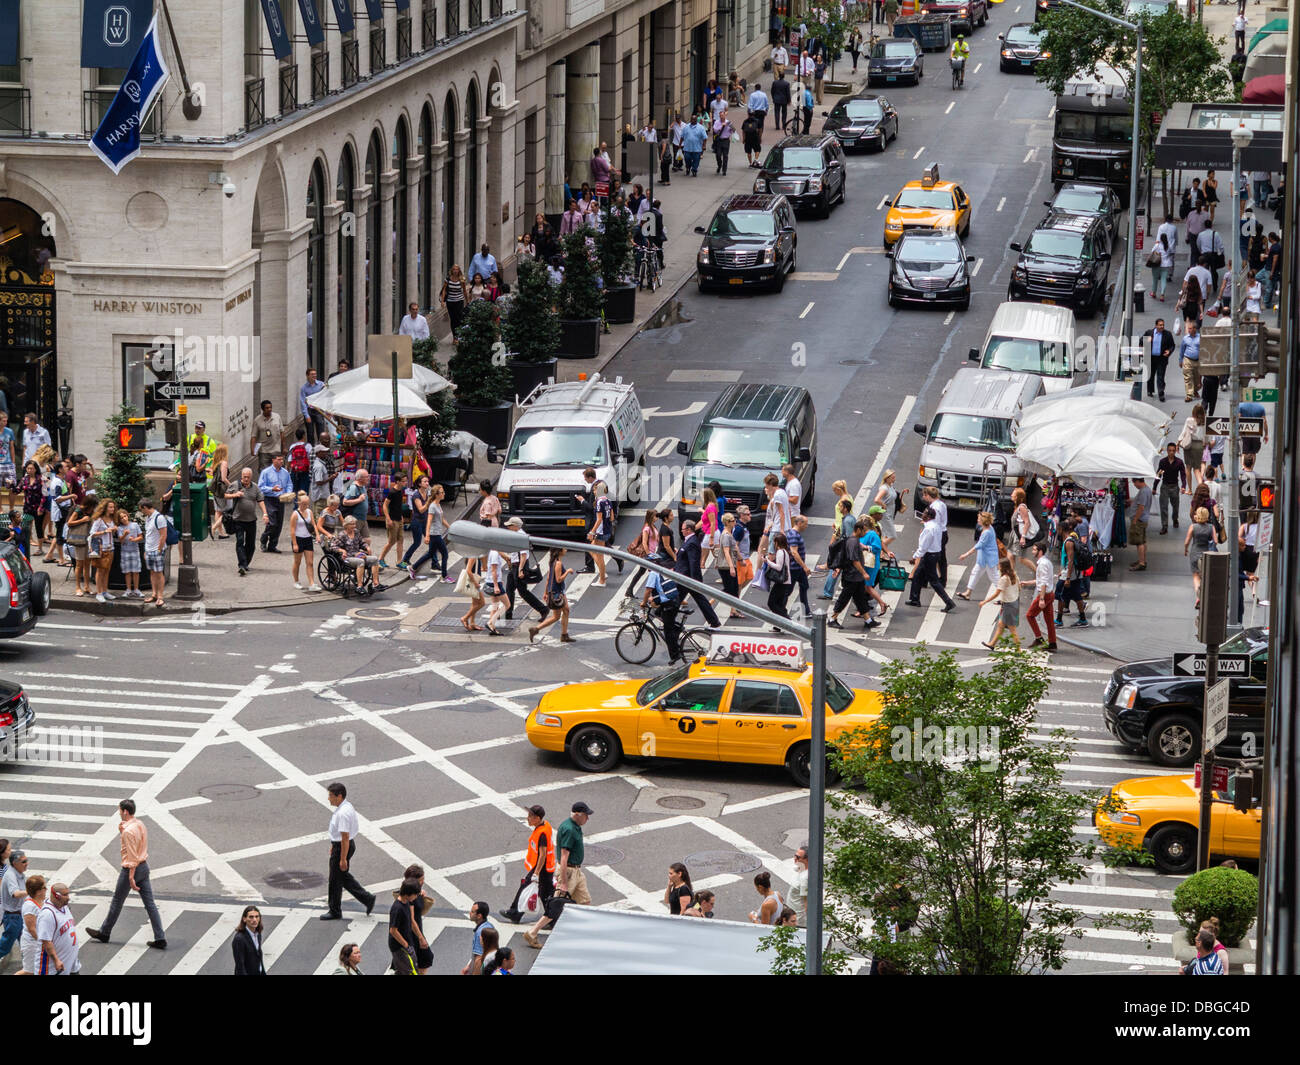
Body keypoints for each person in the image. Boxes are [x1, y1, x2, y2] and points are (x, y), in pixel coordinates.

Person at [84, 799, 166, 949]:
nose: (119, 813)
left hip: (132, 869)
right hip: (144, 867)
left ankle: (105, 932)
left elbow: (132, 856)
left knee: (117, 901)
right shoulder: (139, 824)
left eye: (120, 811)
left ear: (125, 811)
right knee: (150, 904)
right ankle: (160, 937)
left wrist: (130, 877)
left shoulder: (128, 832)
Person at [523, 801, 592, 948]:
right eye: (586, 815)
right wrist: (564, 882)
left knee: (585, 902)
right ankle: (533, 932)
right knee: (555, 906)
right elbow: (564, 856)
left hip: (576, 872)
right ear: (578, 815)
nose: (588, 818)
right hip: (568, 872)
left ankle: (582, 932)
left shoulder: (574, 826)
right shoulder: (569, 830)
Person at [321, 782, 377, 921]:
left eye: (331, 796)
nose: (329, 798)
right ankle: (367, 898)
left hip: (343, 846)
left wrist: (342, 858)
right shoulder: (346, 806)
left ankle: (335, 910)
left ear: (339, 796)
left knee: (335, 880)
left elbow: (345, 837)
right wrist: (334, 845)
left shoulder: (343, 813)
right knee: (342, 877)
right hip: (340, 845)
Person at [501, 804, 555, 924]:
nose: (528, 818)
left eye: (530, 816)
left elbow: (542, 855)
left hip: (542, 868)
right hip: (545, 867)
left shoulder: (542, 833)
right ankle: (552, 917)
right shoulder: (545, 826)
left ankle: (515, 913)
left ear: (537, 818)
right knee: (544, 893)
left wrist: (536, 873)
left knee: (528, 887)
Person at [906, 507, 955, 611]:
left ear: (928, 516)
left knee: (934, 581)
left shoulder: (928, 529)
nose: (922, 514)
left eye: (924, 513)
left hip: (929, 555)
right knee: (917, 575)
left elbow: (924, 546)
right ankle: (915, 599)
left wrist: (914, 556)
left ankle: (948, 602)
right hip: (934, 554)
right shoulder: (935, 525)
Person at [529, 547, 576, 644]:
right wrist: (567, 571)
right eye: (564, 548)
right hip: (557, 592)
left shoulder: (553, 562)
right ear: (559, 551)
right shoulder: (558, 563)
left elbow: (548, 578)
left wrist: (546, 592)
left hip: (555, 591)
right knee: (556, 616)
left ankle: (564, 635)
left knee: (565, 611)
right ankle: (536, 629)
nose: (566, 549)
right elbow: (558, 579)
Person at [1019, 541, 1058, 651]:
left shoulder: (1042, 564)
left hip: (1044, 595)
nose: (1032, 551)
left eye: (1034, 550)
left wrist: (1041, 599)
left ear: (1040, 551)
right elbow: (1041, 580)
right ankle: (1052, 643)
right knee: (1049, 620)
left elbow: (1043, 583)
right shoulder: (1047, 562)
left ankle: (1039, 638)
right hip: (1049, 594)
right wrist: (1027, 583)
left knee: (1030, 615)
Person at [36, 882, 79, 975]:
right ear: (57, 896)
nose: (68, 897)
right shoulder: (47, 914)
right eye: (65, 895)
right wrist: (56, 960)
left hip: (70, 964)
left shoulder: (65, 907)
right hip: (52, 969)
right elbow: (46, 941)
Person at [979, 558, 1022, 650]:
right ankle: (992, 644)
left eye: (999, 565)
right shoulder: (1014, 575)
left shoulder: (1004, 579)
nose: (998, 566)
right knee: (1000, 625)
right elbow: (1019, 587)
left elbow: (997, 593)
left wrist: (985, 601)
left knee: (1012, 629)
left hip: (1008, 605)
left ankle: (1018, 650)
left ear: (1002, 567)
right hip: (1013, 602)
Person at [957, 511, 999, 601]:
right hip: (984, 558)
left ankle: (1005, 596)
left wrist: (966, 554)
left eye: (979, 519)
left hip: (988, 559)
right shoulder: (989, 528)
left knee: (994, 577)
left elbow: (979, 545)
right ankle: (968, 593)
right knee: (975, 573)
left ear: (983, 521)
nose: (977, 520)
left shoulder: (986, 532)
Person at [257, 453, 293, 554]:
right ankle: (263, 539)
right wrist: (272, 488)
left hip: (281, 500)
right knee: (272, 523)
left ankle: (272, 545)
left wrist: (288, 492)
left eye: (282, 459)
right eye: (279, 459)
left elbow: (289, 484)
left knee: (279, 525)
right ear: (273, 460)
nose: (281, 461)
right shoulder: (266, 472)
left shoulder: (285, 473)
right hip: (270, 499)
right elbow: (260, 487)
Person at [388, 878, 421, 975]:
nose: (416, 897)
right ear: (408, 894)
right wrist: (406, 945)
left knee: (404, 970)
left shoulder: (406, 901)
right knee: (409, 971)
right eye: (415, 894)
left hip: (406, 943)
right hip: (400, 947)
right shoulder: (397, 909)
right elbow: (393, 931)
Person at [0, 845, 27, 962]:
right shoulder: (11, 875)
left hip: (19, 915)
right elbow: (15, 893)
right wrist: (31, 890)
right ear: (15, 863)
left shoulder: (20, 874)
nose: (27, 863)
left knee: (26, 942)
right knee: (5, 946)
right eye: (24, 861)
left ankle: (30, 965)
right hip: (12, 917)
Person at [1185, 506, 1217, 603]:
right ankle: (1204, 594)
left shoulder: (1193, 527)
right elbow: (1215, 541)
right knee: (1204, 575)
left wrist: (1185, 549)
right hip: (1206, 553)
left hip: (1195, 552)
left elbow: (1187, 541)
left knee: (1196, 576)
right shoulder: (1211, 527)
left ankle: (1198, 596)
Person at [1155, 442, 1188, 534]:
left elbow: (1183, 475)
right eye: (1170, 451)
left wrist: (1183, 486)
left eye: (1173, 451)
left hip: (1174, 487)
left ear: (1175, 451)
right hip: (1165, 486)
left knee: (1175, 506)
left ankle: (1175, 519)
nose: (1171, 453)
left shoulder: (1179, 462)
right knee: (1164, 507)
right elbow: (1158, 475)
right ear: (1167, 451)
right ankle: (1164, 526)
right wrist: (1154, 487)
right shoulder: (1163, 462)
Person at [17, 873, 45, 975]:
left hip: (37, 943)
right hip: (31, 944)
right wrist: (43, 942)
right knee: (28, 972)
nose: (46, 889)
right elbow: (32, 929)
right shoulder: (29, 906)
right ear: (38, 891)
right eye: (44, 888)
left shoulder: (41, 901)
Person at [1143, 318, 1174, 402]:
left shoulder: (1167, 334)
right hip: (1151, 358)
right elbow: (1140, 341)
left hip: (1162, 359)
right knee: (1150, 375)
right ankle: (1150, 391)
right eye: (1160, 325)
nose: (1162, 326)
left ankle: (1161, 393)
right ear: (1156, 325)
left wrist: (1169, 351)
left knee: (1160, 376)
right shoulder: (1149, 332)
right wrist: (1146, 340)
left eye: (1163, 325)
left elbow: (1172, 345)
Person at [249, 399, 285, 471]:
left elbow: (282, 432)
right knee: (264, 472)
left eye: (270, 407)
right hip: (264, 451)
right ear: (262, 409)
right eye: (267, 408)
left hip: (276, 449)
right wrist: (252, 449)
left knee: (278, 470)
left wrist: (284, 447)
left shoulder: (277, 417)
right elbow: (253, 436)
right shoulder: (257, 420)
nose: (269, 409)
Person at [231, 905, 265, 975]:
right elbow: (240, 965)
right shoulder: (239, 939)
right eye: (251, 917)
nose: (254, 920)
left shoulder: (258, 934)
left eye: (257, 916)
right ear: (244, 919)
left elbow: (259, 958)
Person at [1178, 318, 1202, 403]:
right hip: (1188, 359)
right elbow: (1182, 349)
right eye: (1189, 328)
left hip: (1198, 360)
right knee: (1188, 378)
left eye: (1191, 328)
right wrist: (1180, 360)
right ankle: (1189, 395)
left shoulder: (1200, 337)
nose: (1189, 330)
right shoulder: (1185, 338)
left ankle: (1195, 390)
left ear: (1195, 329)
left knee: (1197, 379)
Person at [440, 263, 468, 337]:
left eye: (457, 269)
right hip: (450, 301)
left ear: (459, 270)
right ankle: (455, 336)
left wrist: (467, 301)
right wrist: (442, 301)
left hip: (459, 301)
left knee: (459, 318)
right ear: (452, 270)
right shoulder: (448, 278)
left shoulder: (462, 279)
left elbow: (464, 291)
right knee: (453, 319)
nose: (455, 271)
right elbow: (444, 290)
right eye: (454, 269)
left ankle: (459, 335)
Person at [788, 847, 809, 925]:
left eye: (798, 857)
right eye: (795, 855)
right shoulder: (799, 868)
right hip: (790, 915)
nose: (794, 858)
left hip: (797, 920)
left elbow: (807, 901)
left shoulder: (805, 878)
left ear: (806, 860)